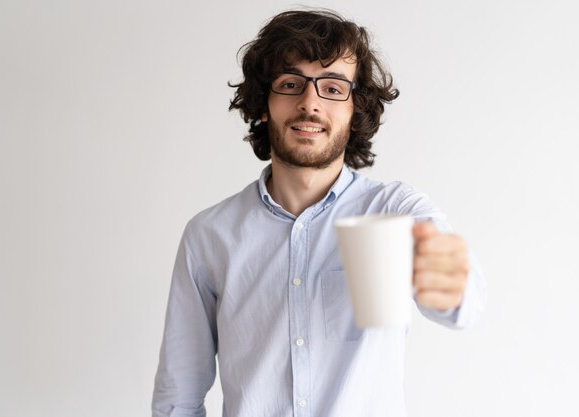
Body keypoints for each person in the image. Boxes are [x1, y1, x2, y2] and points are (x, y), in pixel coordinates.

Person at [152, 9, 485, 417]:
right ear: (263, 104)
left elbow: (461, 303)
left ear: (354, 111)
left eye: (332, 87)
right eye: (290, 84)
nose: (310, 103)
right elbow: (177, 399)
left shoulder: (395, 212)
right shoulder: (209, 235)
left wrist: (446, 281)